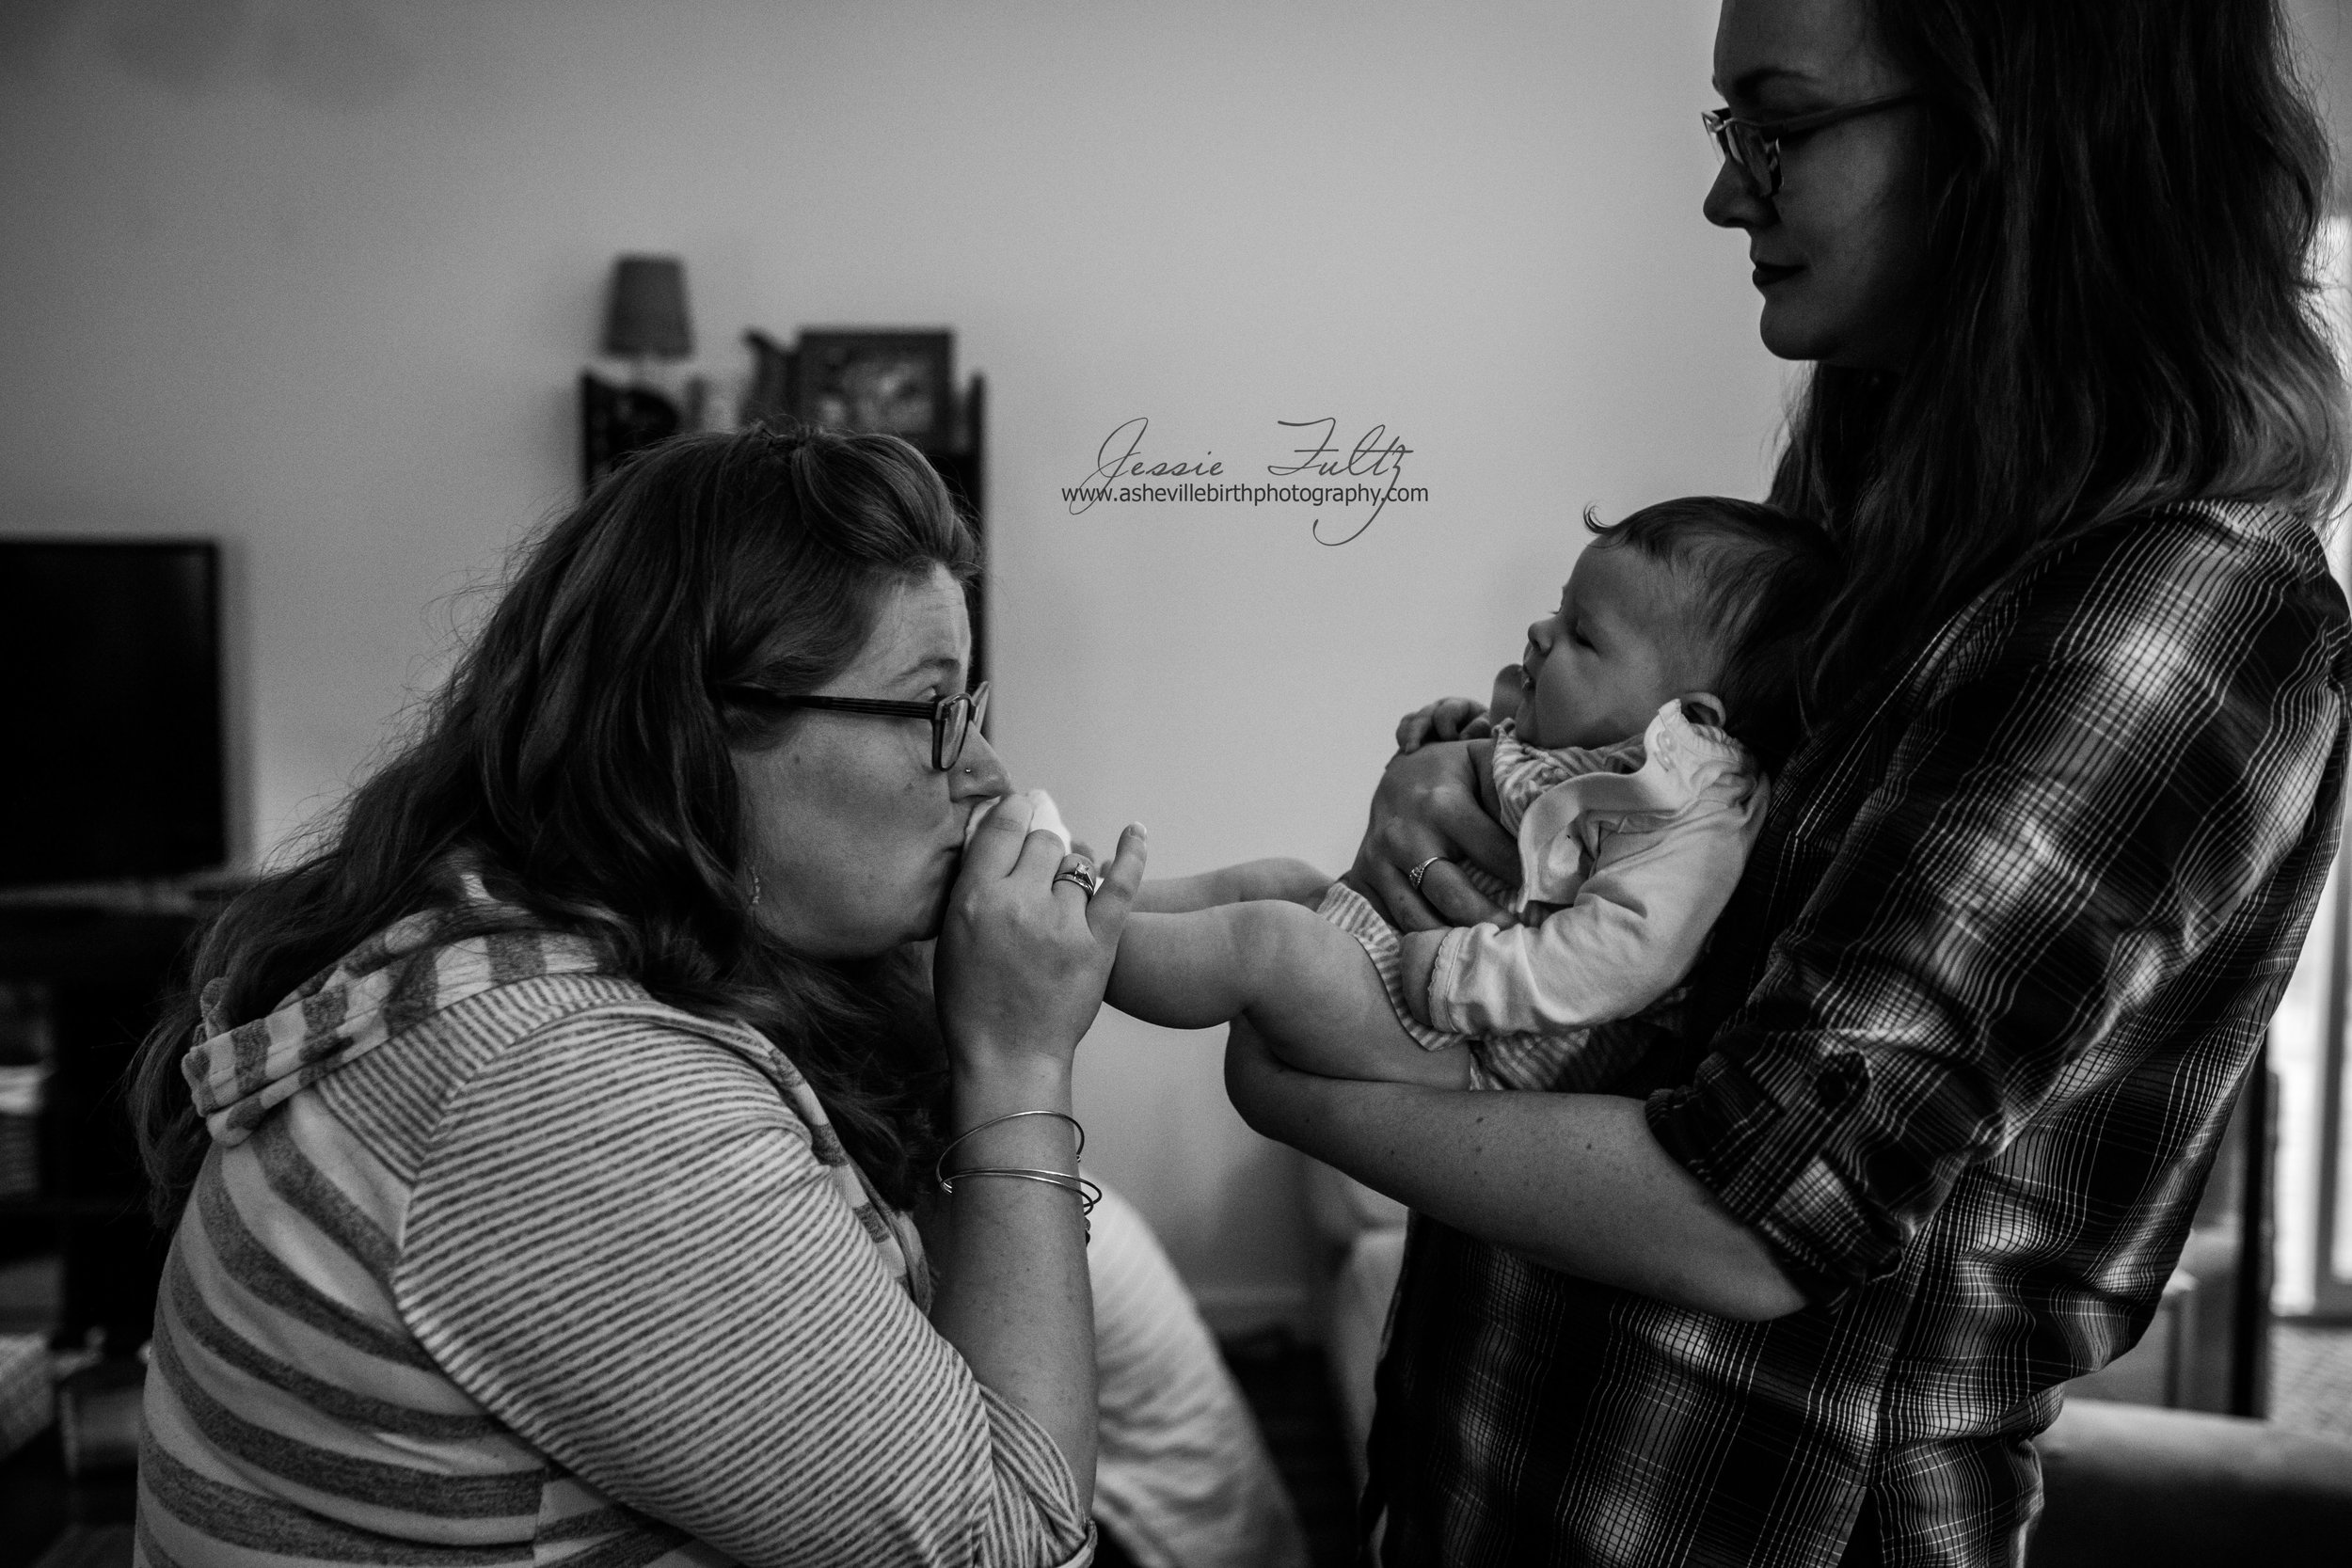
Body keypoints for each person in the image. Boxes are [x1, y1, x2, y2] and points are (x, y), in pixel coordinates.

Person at [1221, 1, 2352, 1563]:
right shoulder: (1890, 489)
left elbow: (1758, 1209)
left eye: (1783, 122)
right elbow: (1672, 960)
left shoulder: (2175, 604)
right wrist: (1470, 806)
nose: (1726, 192)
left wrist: (1305, 1080)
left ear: (2018, 139)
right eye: (1728, 128)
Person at [127, 428, 1152, 1568]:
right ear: (700, 735)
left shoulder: (532, 963)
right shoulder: (564, 1091)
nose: (988, 772)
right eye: (930, 710)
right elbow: (1011, 1543)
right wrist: (1016, 1060)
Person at [1104, 498, 1836, 1097]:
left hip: (1468, 1046)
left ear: (1692, 720)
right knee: (1279, 881)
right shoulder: (1597, 751)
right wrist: (1462, 734)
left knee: (1269, 941)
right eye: (1559, 610)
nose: (1541, 631)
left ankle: (1063, 945)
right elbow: (1522, 792)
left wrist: (1464, 976)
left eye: (1582, 635)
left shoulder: (1685, 807)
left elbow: (1624, 953)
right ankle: (1090, 895)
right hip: (1410, 974)